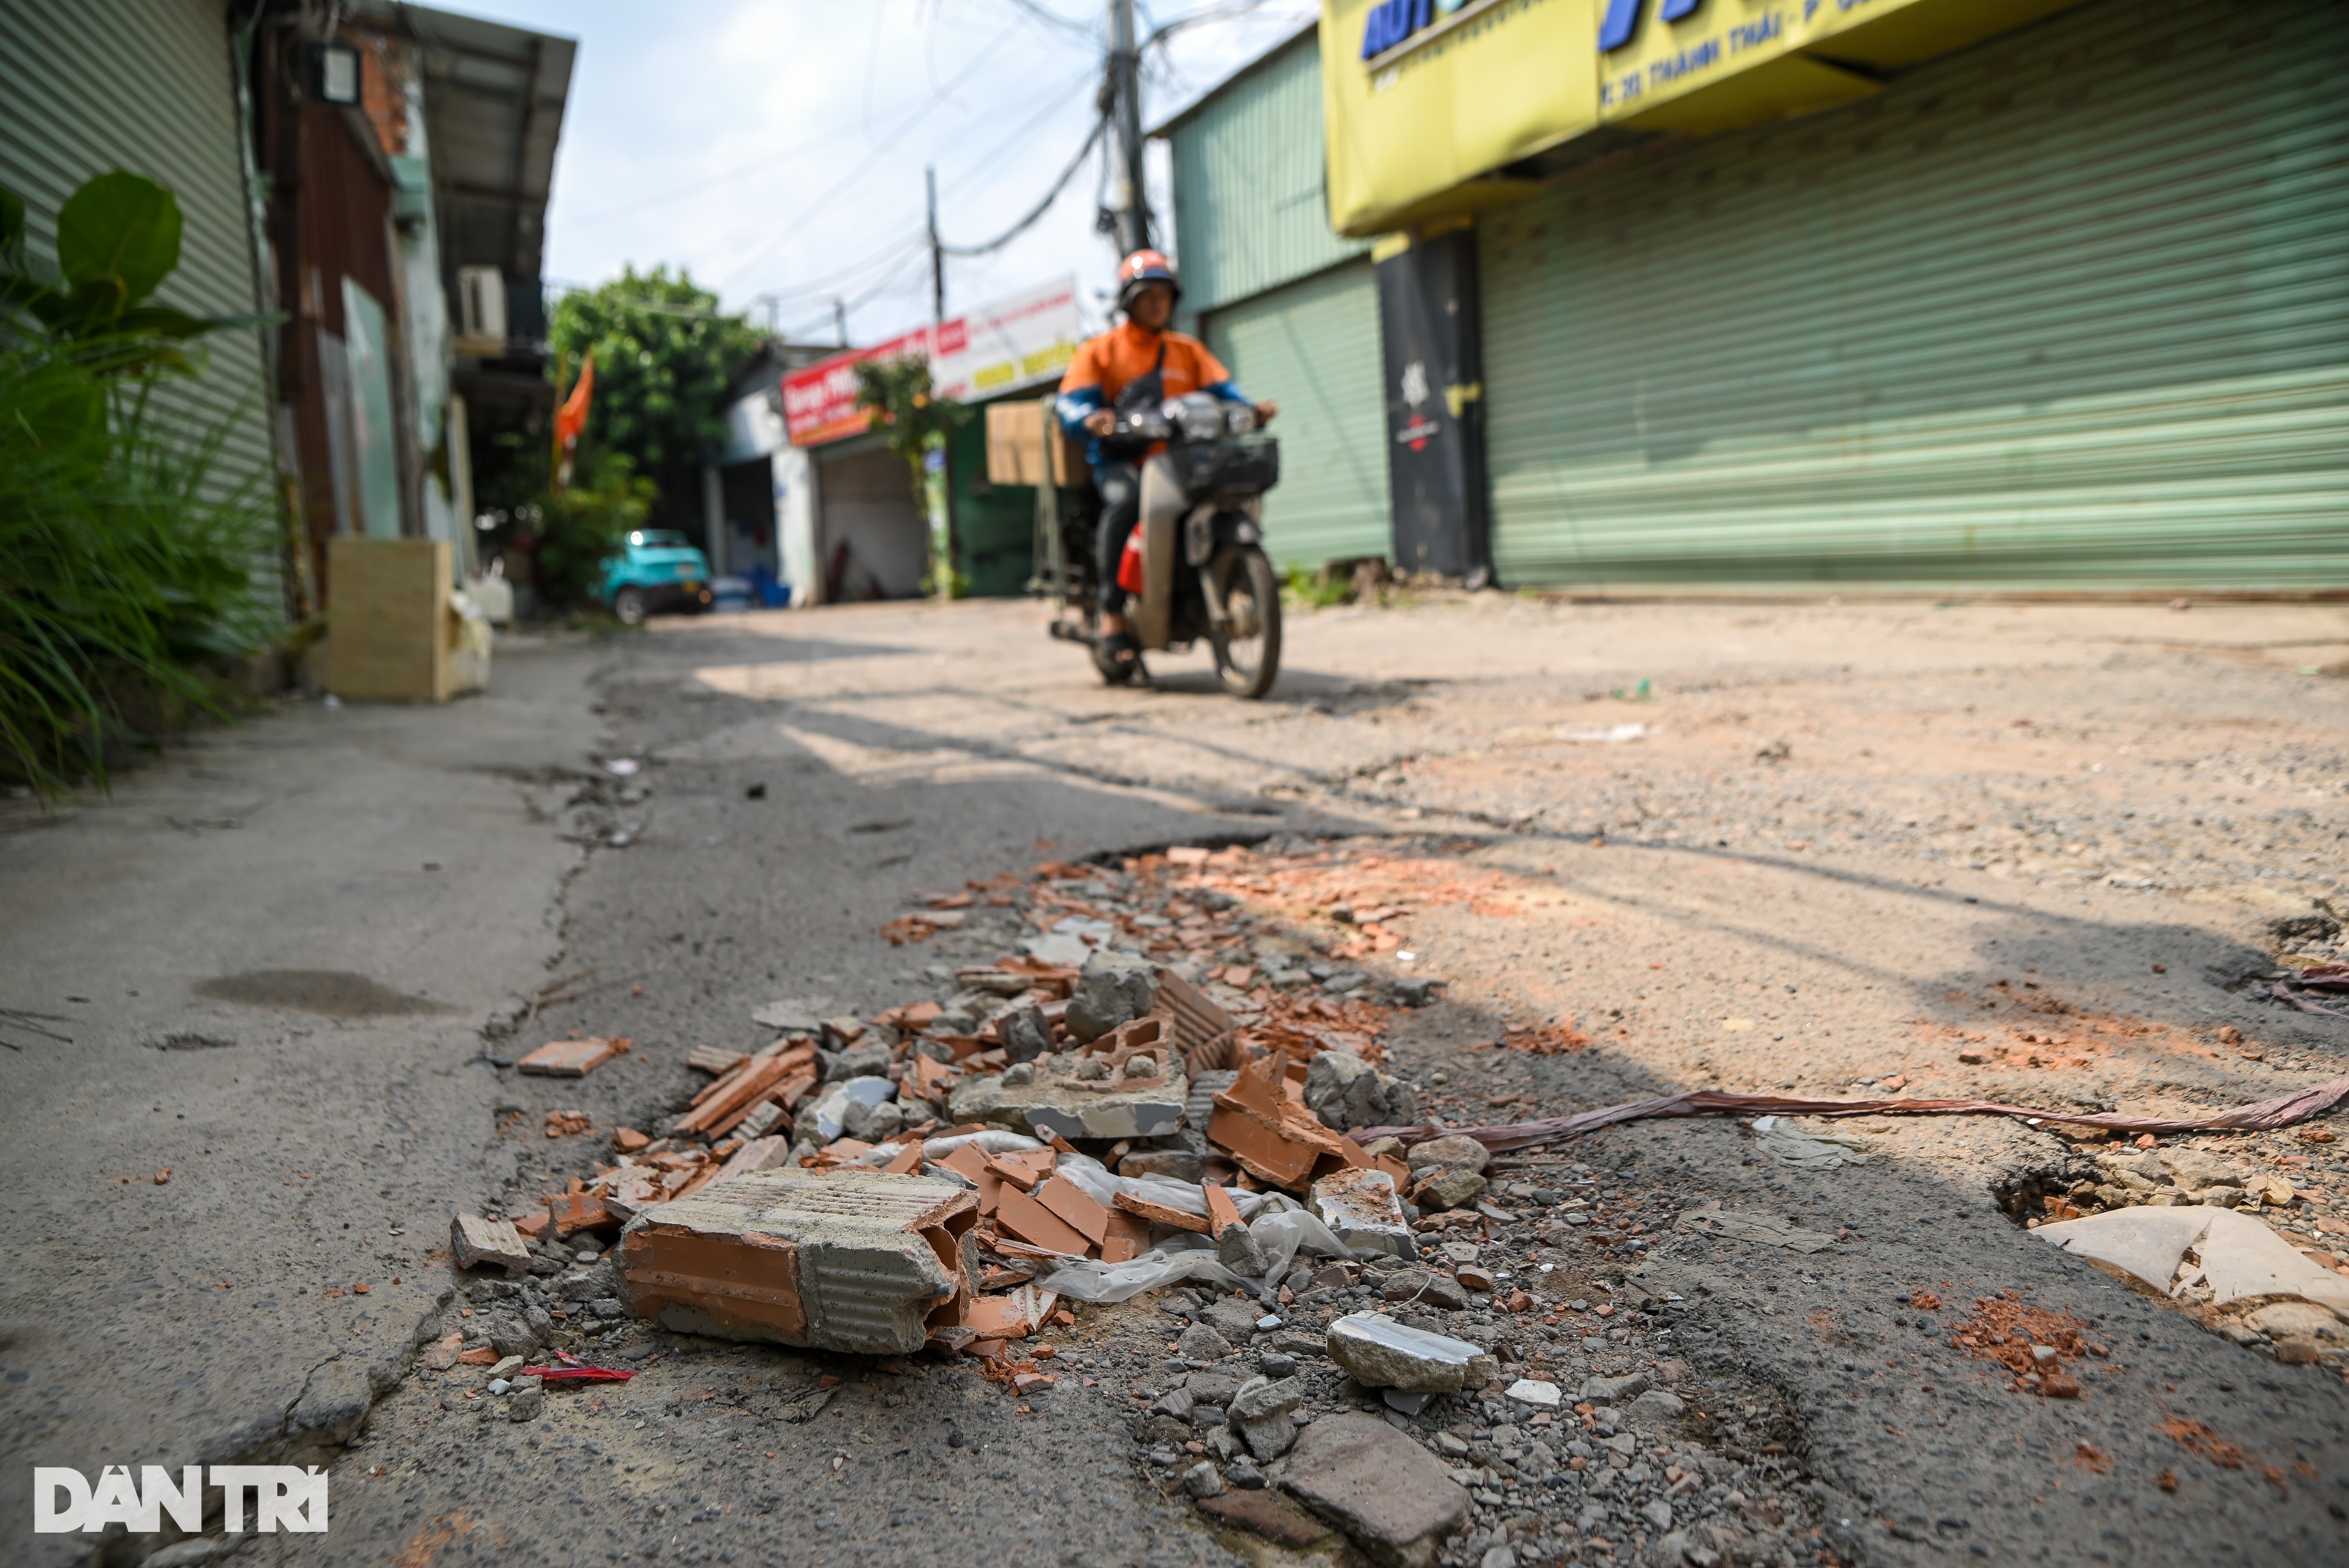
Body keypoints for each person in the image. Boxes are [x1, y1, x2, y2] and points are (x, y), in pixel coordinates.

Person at [1056, 249, 1275, 679]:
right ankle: (1113, 612)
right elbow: (1070, 402)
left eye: (1164, 295)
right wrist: (1090, 419)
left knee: (1225, 492)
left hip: (1184, 461)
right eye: (1147, 295)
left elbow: (1226, 390)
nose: (1157, 303)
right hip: (1123, 460)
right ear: (1128, 301)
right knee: (1127, 501)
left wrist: (1251, 409)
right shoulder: (1101, 351)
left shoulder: (1187, 351)